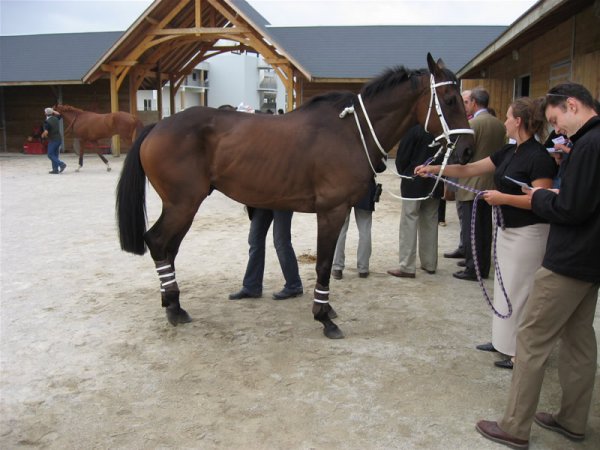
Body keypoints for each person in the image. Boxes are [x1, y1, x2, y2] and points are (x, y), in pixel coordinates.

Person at [475, 82, 600, 449]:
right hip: (591, 258)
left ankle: (514, 426)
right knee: (578, 340)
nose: (556, 128)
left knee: (530, 337)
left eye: (556, 118)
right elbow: (584, 198)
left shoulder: (590, 144)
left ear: (572, 105)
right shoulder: (592, 142)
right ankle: (572, 419)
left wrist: (543, 197)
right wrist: (558, 192)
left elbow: (572, 210)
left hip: (569, 259)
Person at [419, 97, 557, 368]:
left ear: (518, 121)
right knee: (505, 290)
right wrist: (434, 170)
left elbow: (541, 200)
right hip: (506, 231)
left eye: (507, 117)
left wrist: (503, 198)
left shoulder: (539, 158)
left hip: (529, 234)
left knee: (523, 292)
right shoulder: (509, 152)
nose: (504, 122)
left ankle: (521, 352)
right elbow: (469, 168)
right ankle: (502, 342)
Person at [453, 88, 506, 281]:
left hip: (472, 181)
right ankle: (482, 265)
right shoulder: (499, 125)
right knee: (484, 228)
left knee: (471, 228)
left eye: (467, 102)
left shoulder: (473, 124)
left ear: (474, 103)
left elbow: (464, 153)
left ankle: (472, 267)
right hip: (491, 182)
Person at [388, 125, 442, 279]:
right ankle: (430, 263)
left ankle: (407, 266)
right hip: (435, 180)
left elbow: (402, 157)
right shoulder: (439, 130)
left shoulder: (413, 130)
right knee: (430, 221)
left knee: (409, 221)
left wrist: (404, 173)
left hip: (413, 181)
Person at [229, 208, 304, 300]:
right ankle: (252, 286)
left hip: (283, 200)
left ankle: (294, 285)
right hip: (264, 200)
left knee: (281, 242)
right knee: (255, 240)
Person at [332, 177, 381, 280]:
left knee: (340, 230)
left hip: (343, 186)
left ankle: (337, 267)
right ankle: (363, 268)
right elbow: (381, 167)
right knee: (365, 230)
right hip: (365, 187)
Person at [41, 107, 66, 174]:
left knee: (50, 154)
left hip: (53, 140)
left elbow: (46, 132)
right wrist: (53, 111)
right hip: (59, 139)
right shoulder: (56, 118)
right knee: (55, 155)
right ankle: (55, 169)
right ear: (52, 113)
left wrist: (43, 135)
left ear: (45, 114)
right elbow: (59, 115)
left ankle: (61, 164)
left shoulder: (46, 122)